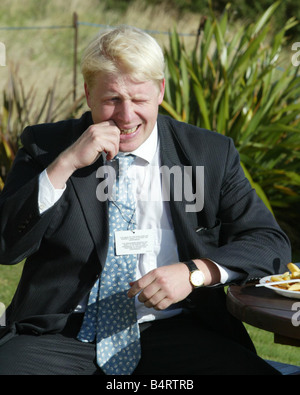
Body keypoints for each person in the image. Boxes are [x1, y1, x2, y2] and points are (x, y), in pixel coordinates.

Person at [0, 25, 291, 375]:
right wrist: (64, 165)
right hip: (61, 335)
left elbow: (268, 242)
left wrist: (195, 273)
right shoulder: (45, 145)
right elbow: (7, 246)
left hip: (176, 330)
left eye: (138, 99)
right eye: (112, 100)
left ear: (160, 91)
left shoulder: (209, 153)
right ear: (87, 93)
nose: (125, 117)